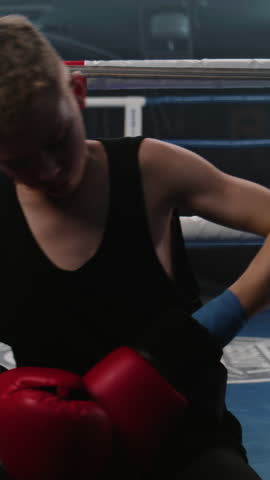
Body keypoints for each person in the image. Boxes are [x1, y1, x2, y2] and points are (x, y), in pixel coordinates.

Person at [0, 13, 269, 479]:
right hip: (53, 457)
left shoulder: (150, 171)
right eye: (18, 162)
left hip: (184, 447)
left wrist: (212, 324)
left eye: (56, 141)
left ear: (78, 95)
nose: (47, 171)